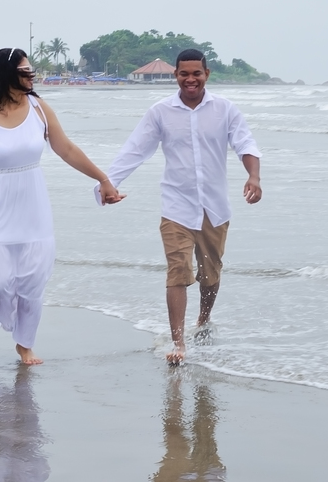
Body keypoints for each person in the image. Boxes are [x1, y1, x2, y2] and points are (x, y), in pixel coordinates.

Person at [0, 47, 122, 364]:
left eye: (31, 71)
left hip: (31, 208)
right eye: (25, 72)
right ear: (6, 75)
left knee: (32, 280)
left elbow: (66, 149)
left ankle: (25, 345)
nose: (31, 76)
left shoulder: (39, 108)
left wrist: (103, 179)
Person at [100, 49, 262, 364]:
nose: (190, 79)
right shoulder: (160, 112)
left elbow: (245, 144)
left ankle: (203, 318)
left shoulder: (225, 110)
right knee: (177, 271)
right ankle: (178, 343)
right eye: (184, 74)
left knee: (210, 276)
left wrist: (253, 177)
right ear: (176, 75)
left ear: (207, 75)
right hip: (176, 206)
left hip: (214, 208)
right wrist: (107, 183)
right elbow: (135, 150)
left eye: (196, 74)